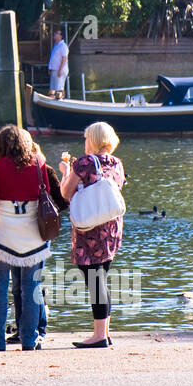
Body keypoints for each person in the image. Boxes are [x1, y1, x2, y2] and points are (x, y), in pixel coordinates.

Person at [0, 125, 62, 351]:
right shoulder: (38, 164)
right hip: (32, 234)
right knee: (31, 287)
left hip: (5, 235)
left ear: (0, 145)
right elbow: (43, 192)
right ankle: (29, 339)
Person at [59, 121, 126, 348]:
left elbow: (66, 194)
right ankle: (104, 333)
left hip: (90, 231)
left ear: (93, 140)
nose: (85, 142)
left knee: (94, 281)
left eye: (87, 138)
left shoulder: (84, 163)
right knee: (101, 279)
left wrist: (66, 173)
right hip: (111, 227)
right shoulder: (117, 163)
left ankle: (99, 336)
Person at [48, 28, 69, 99]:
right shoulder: (56, 46)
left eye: (57, 33)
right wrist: (50, 69)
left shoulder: (63, 46)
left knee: (59, 88)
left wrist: (60, 70)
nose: (55, 34)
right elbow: (53, 58)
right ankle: (52, 103)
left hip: (59, 70)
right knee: (53, 89)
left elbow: (64, 59)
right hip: (54, 70)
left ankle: (61, 101)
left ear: (61, 36)